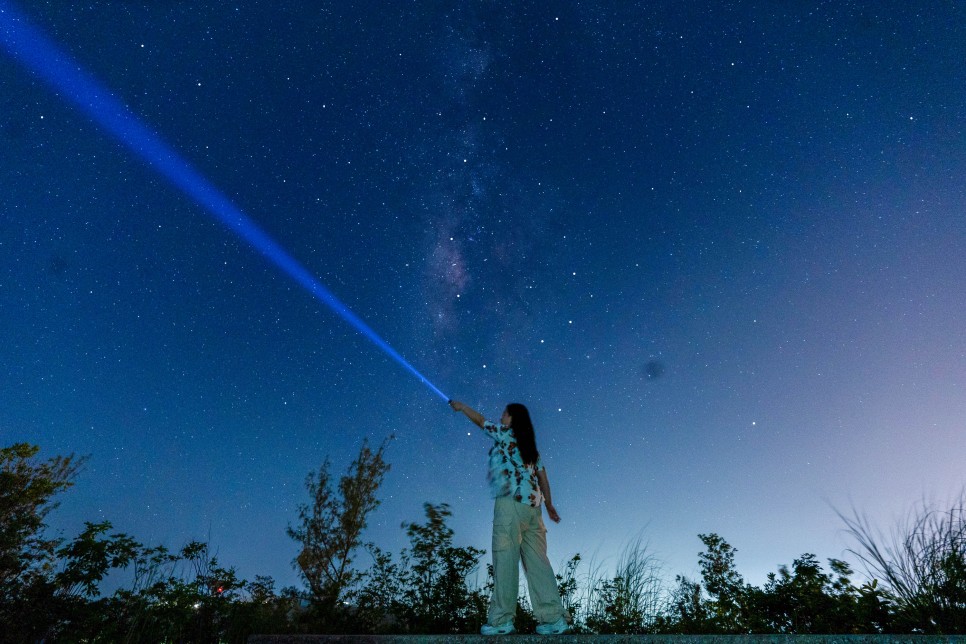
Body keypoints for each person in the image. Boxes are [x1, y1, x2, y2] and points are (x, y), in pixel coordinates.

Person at [449, 399, 570, 636]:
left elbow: (481, 421)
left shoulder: (505, 434)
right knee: (538, 563)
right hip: (534, 510)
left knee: (505, 559)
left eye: (504, 414)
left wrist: (463, 407)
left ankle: (502, 620)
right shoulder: (531, 448)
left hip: (511, 504)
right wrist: (550, 505)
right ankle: (554, 619)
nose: (501, 417)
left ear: (513, 419)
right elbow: (543, 478)